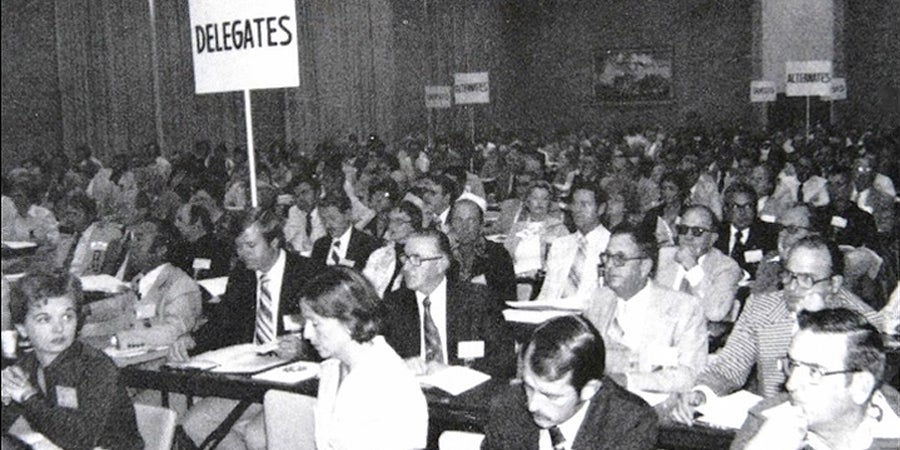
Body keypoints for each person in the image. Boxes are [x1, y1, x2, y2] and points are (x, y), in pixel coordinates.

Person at [670, 236, 880, 424]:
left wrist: (816, 318)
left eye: (806, 279)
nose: (793, 287)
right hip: (773, 423)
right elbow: (729, 367)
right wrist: (701, 394)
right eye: (789, 275)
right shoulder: (761, 308)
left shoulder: (865, 323)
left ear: (834, 284)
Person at [170, 208, 317, 450]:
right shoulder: (242, 275)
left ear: (274, 242)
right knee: (194, 423)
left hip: (294, 382)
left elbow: (332, 334)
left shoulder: (309, 274)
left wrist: (303, 348)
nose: (242, 254)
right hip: (250, 378)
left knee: (257, 435)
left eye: (250, 245)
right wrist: (192, 340)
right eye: (238, 247)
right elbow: (222, 322)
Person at [266, 266, 429, 450]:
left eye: (315, 323)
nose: (307, 334)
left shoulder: (386, 381)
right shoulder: (333, 368)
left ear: (349, 320)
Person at [1, 270, 143, 449]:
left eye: (67, 316)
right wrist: (5, 399)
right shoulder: (26, 366)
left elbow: (80, 440)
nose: (59, 328)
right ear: (22, 329)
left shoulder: (95, 366)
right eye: (44, 319)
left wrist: (28, 396)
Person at [731, 308, 900, 450]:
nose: (791, 384)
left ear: (861, 386)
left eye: (814, 371)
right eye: (793, 365)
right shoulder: (768, 421)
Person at [481, 315, 658, 450]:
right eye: (529, 387)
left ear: (590, 389)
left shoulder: (630, 423)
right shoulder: (507, 406)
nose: (533, 405)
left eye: (551, 396)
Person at [583, 224, 707, 393]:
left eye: (620, 258)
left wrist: (628, 381)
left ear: (644, 267)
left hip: (654, 403)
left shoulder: (684, 308)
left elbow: (689, 375)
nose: (610, 265)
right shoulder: (599, 300)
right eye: (607, 257)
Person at [379, 230, 516, 378]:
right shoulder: (392, 305)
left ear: (441, 263)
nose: (406, 267)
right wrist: (400, 365)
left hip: (466, 388)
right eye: (405, 258)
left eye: (416, 259)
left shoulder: (477, 300)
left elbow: (504, 360)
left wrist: (453, 372)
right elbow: (374, 360)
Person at [655, 205, 742, 330]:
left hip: (697, 334)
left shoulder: (726, 267)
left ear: (713, 238)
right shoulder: (665, 256)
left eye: (697, 231)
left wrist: (693, 269)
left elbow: (716, 313)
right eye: (683, 229)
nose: (688, 237)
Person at [536, 183, 611, 304]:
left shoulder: (610, 245)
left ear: (601, 209)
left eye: (585, 204)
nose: (577, 210)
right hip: (553, 311)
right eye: (574, 204)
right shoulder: (560, 244)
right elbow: (547, 290)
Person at [449, 198, 517, 306]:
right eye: (458, 220)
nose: (464, 227)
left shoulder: (497, 254)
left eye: (471, 220)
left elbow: (508, 297)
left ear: (481, 225)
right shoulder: (444, 255)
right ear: (450, 225)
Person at [503, 181, 569, 277]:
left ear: (549, 203)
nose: (539, 202)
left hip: (542, 279)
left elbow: (565, 262)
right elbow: (505, 257)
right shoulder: (517, 228)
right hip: (515, 278)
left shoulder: (559, 229)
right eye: (535, 198)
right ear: (527, 202)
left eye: (544, 199)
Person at [752, 203, 819, 295]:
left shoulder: (819, 267)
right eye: (780, 228)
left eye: (792, 229)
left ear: (813, 234)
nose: (782, 234)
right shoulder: (770, 261)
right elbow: (756, 296)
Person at [715, 183, 778, 279]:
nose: (742, 212)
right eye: (735, 206)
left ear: (755, 208)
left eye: (748, 206)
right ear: (726, 209)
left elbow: (772, 271)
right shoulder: (716, 233)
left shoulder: (770, 234)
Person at [362, 201, 423, 298]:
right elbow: (365, 285)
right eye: (390, 221)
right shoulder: (380, 253)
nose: (391, 226)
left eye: (398, 221)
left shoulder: (421, 255)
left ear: (413, 226)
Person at [311, 193, 381, 272]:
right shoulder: (320, 245)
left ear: (347, 214)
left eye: (332, 218)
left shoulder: (368, 245)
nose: (327, 225)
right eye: (323, 219)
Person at [169, 202, 232, 278]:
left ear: (197, 224)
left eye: (180, 219)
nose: (176, 224)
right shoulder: (183, 247)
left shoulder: (211, 249)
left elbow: (198, 277)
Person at [283, 175, 326, 257]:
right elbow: (291, 240)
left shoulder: (326, 212)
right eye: (297, 195)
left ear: (317, 192)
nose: (301, 199)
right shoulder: (294, 211)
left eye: (304, 192)